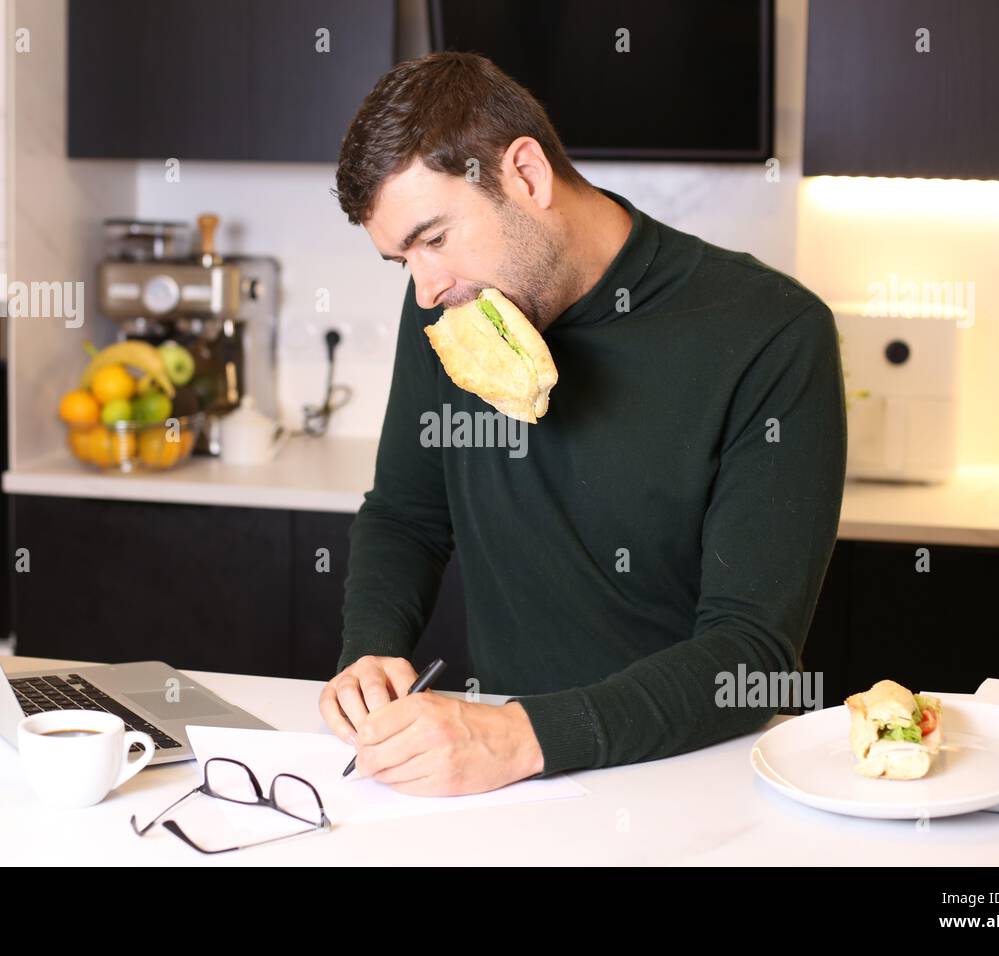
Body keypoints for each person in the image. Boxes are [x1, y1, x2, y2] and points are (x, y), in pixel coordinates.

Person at [320, 52, 846, 796]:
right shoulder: (451, 304)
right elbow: (407, 514)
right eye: (400, 258)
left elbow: (750, 655)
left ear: (526, 176)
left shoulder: (771, 333)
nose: (425, 286)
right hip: (505, 780)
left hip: (690, 774)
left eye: (434, 238)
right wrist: (369, 653)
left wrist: (520, 737)